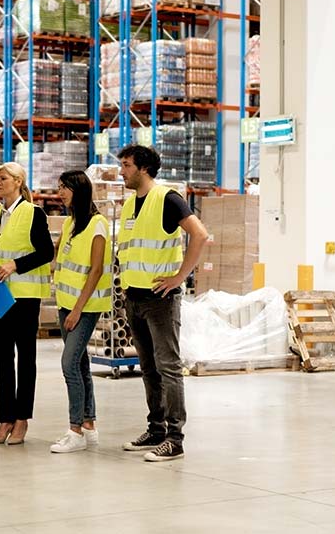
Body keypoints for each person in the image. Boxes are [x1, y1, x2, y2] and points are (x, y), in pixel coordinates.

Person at [116, 144, 208, 462]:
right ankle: (155, 429)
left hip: (161, 298)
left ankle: (174, 437)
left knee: (168, 367)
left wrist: (179, 277)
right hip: (135, 297)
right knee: (149, 368)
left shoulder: (167, 199)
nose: (122, 171)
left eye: (126, 165)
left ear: (143, 168)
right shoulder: (130, 205)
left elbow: (200, 235)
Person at [0, 162, 54, 445]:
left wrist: (15, 265)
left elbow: (46, 252)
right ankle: (5, 419)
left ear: (18, 181)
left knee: (25, 358)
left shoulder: (33, 213)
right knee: (2, 358)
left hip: (24, 297)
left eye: (4, 178)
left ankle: (22, 419)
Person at [49, 170, 112, 454]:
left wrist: (76, 310)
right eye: (59, 187)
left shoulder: (97, 224)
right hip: (65, 303)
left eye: (66, 188)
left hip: (85, 307)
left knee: (69, 364)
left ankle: (74, 430)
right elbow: (57, 260)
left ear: (80, 190)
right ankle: (89, 426)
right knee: (81, 363)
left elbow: (96, 270)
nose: (60, 192)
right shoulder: (71, 223)